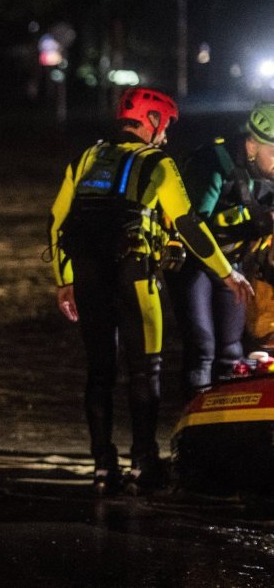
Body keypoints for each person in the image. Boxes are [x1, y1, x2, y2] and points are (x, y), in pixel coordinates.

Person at [47, 87, 253, 496]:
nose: (167, 135)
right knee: (146, 369)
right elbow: (188, 224)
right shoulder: (156, 162)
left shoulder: (86, 158)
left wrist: (64, 280)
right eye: (166, 125)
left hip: (87, 274)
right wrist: (227, 273)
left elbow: (57, 222)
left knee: (100, 371)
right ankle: (144, 462)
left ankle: (103, 467)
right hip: (134, 273)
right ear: (153, 121)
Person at [165, 102, 274, 396]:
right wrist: (225, 272)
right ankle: (193, 423)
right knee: (202, 346)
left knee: (231, 348)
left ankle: (228, 426)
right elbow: (192, 229)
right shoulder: (212, 165)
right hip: (194, 263)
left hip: (232, 265)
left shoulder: (266, 170)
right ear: (252, 146)